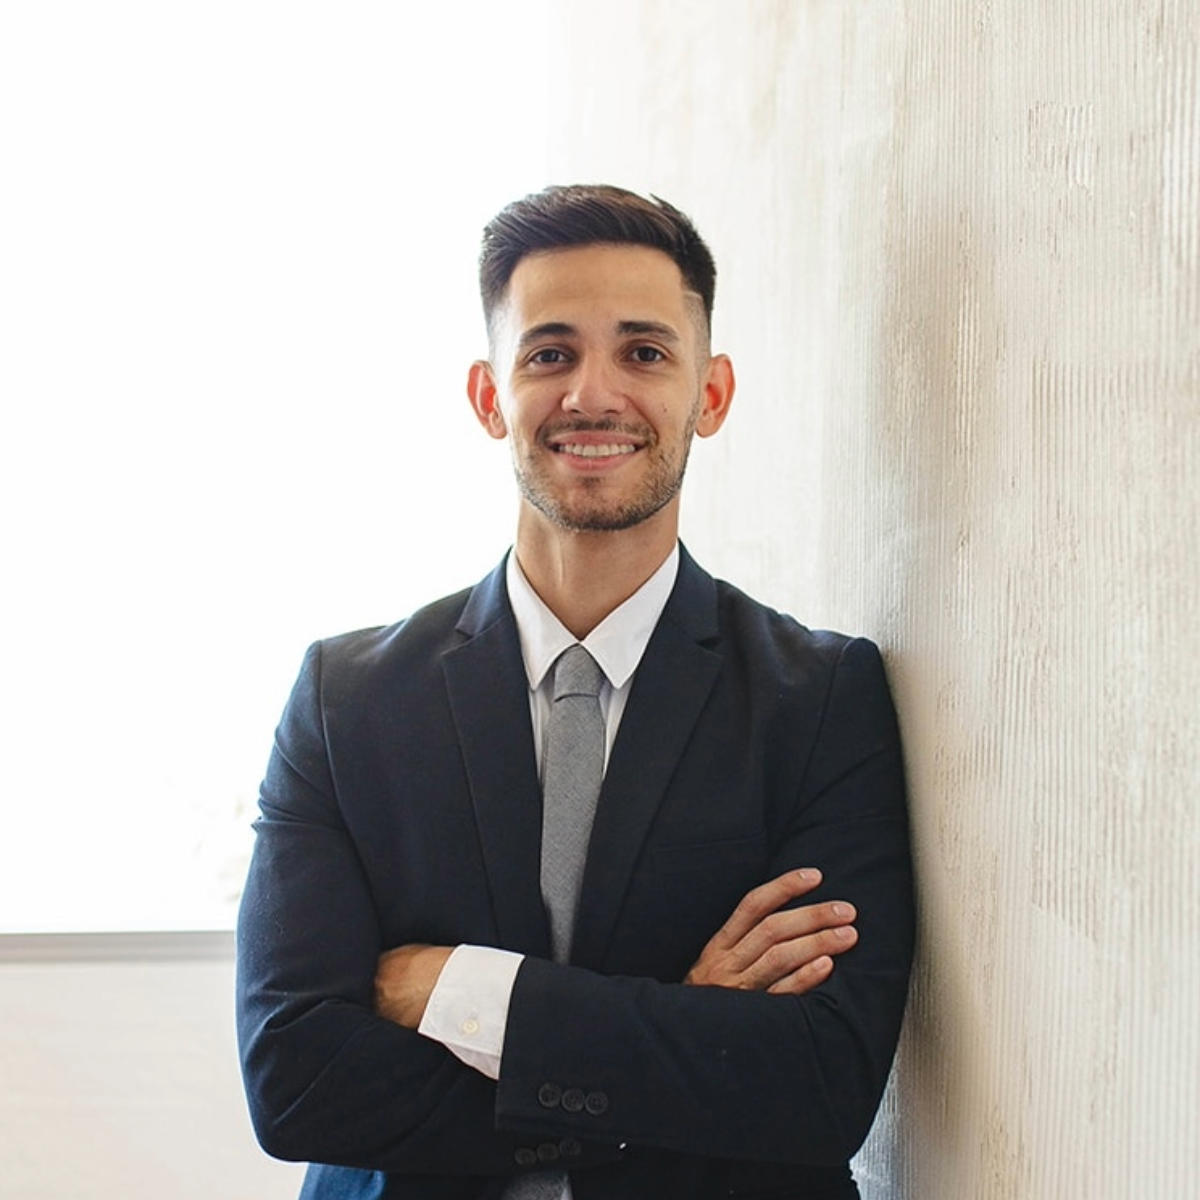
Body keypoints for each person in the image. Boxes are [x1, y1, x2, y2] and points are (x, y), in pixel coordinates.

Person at [236, 184, 915, 1200]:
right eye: (549, 352)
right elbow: (295, 1081)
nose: (591, 395)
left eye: (644, 352)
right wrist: (672, 1031)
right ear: (487, 396)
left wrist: (462, 993)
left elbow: (820, 1084)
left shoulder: (819, 700)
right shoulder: (346, 702)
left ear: (712, 394)